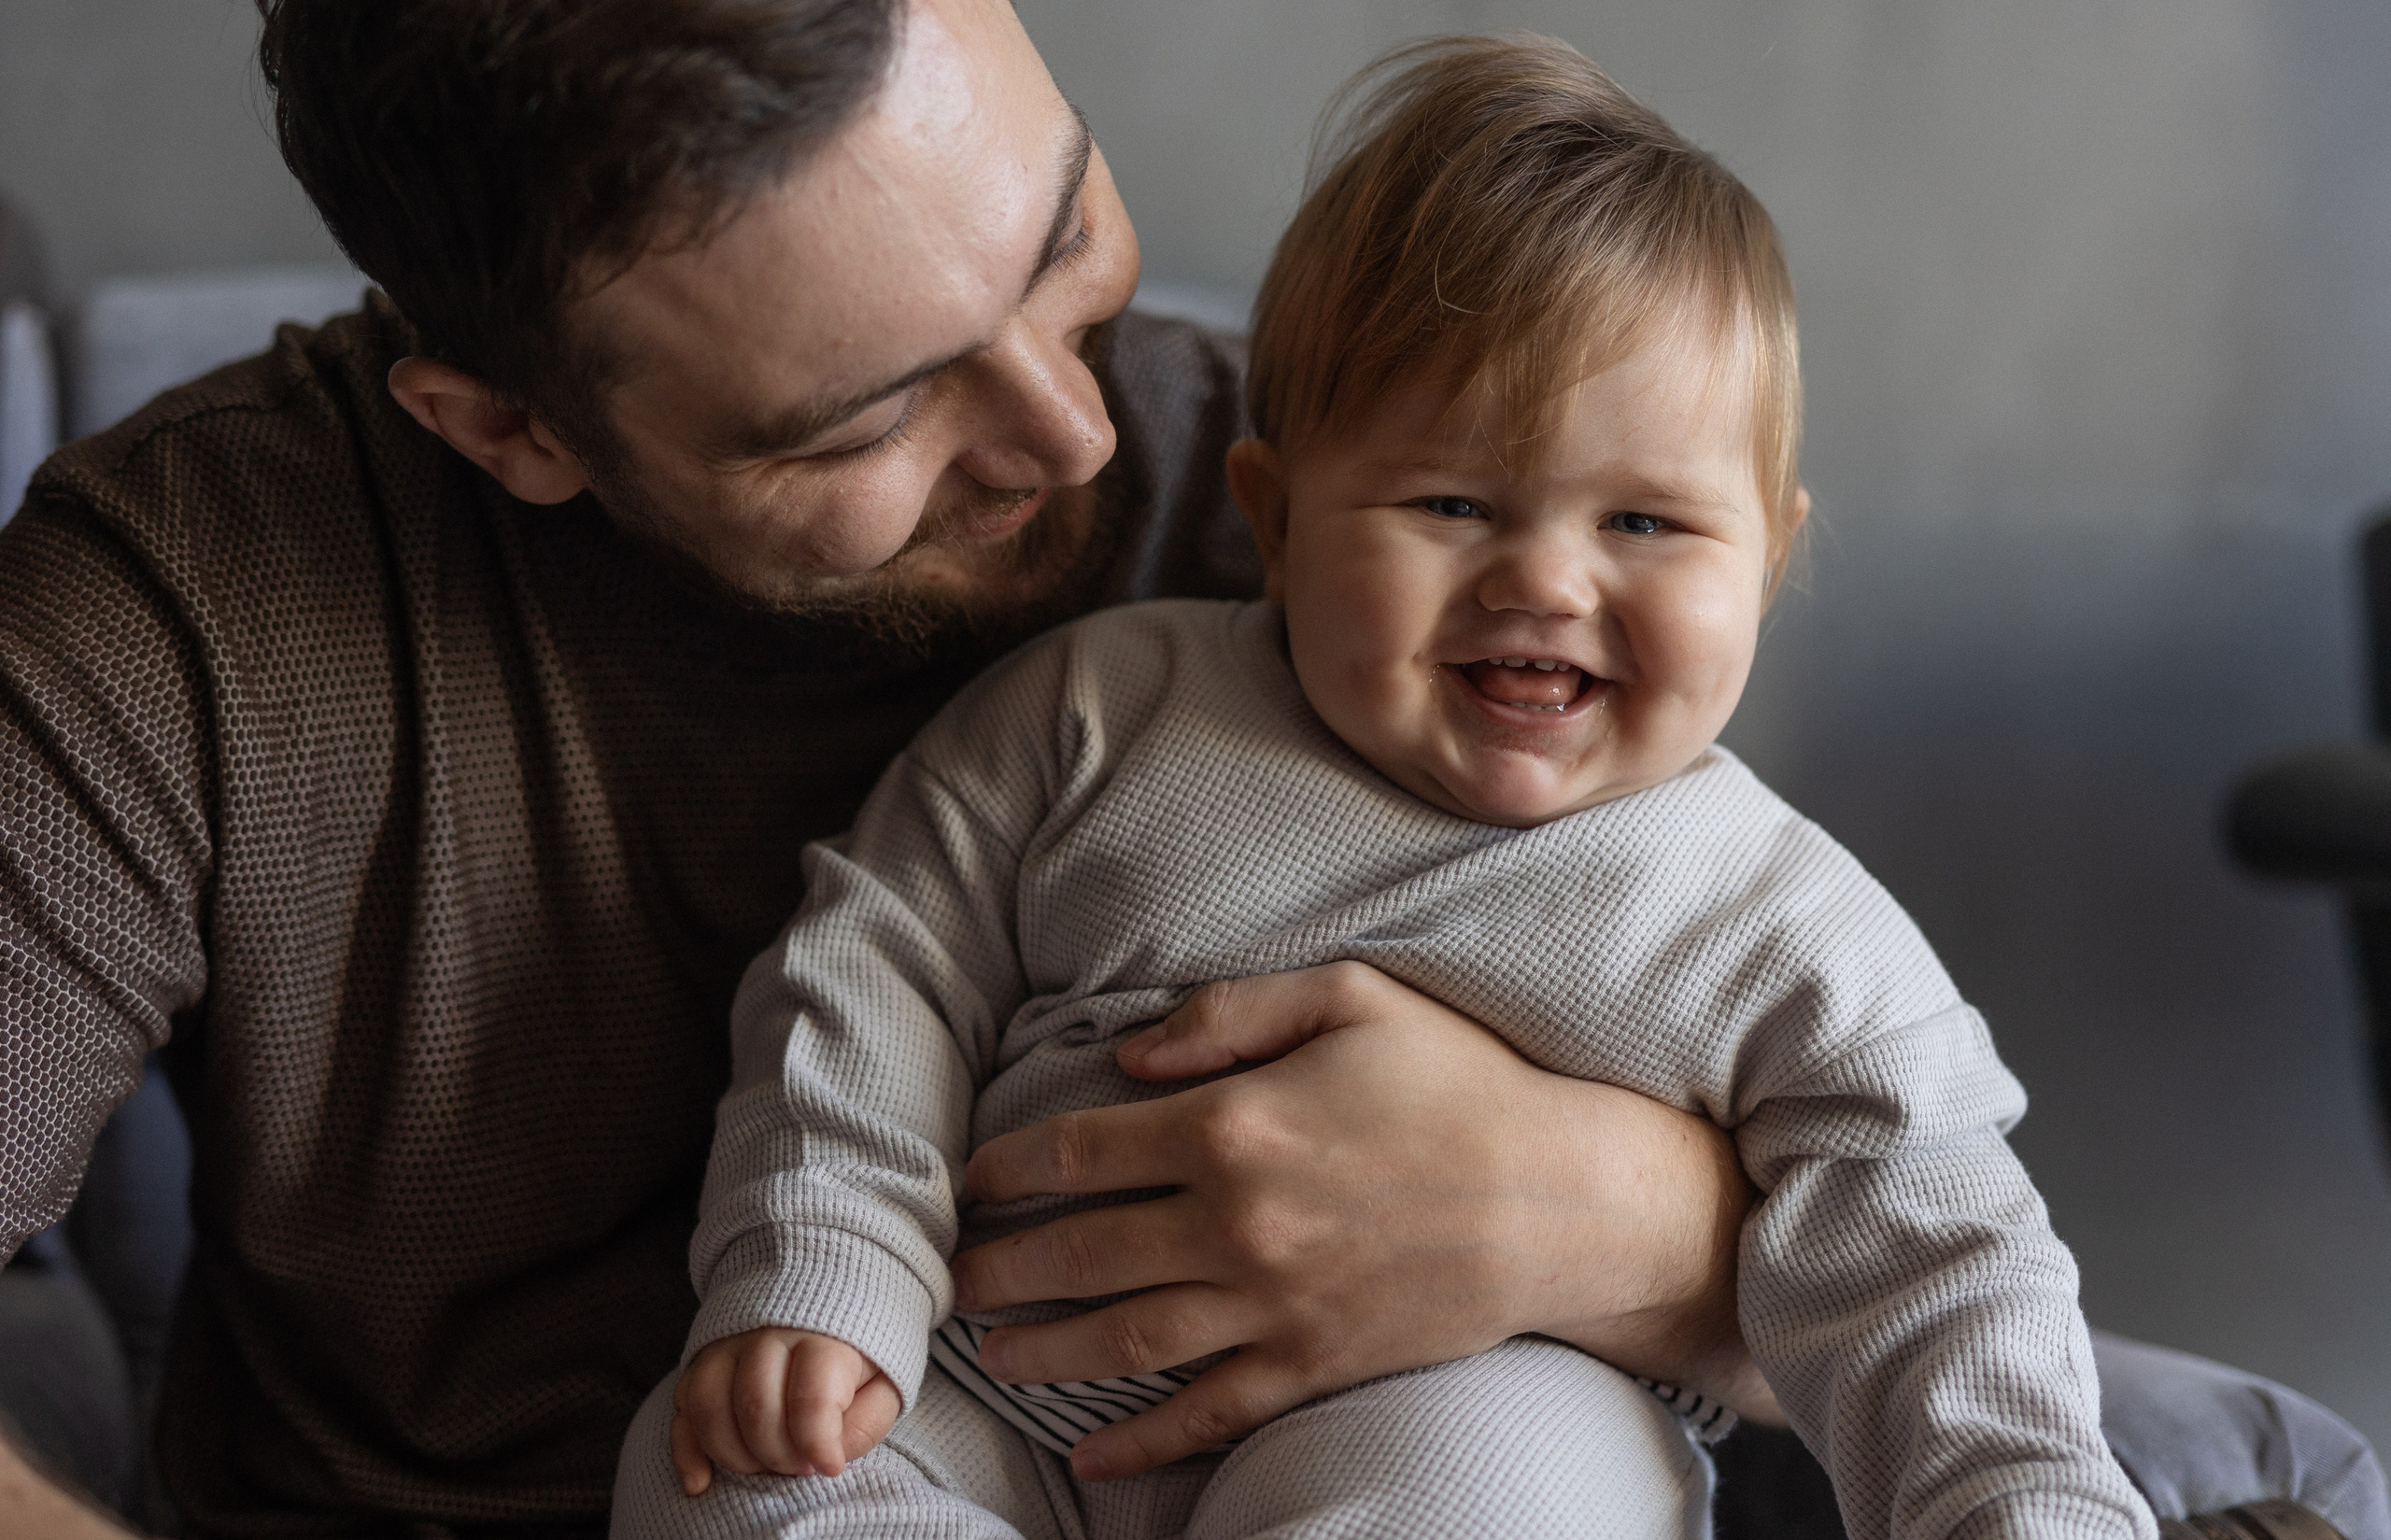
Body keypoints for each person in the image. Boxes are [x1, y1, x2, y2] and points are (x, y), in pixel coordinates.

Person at [0, 1, 2377, 1537]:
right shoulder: (180, 600)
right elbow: (879, 963)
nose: (1074, 427)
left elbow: (1867, 1158)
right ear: (504, 425)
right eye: (871, 411)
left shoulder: (1382, 459)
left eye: (1063, 241)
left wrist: (1606, 1222)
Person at [623, 36, 2148, 1539]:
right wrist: (825, 1273)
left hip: (1447, 1408)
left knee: (1511, 1489)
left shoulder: (1774, 916)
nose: (1544, 579)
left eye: (1645, 521)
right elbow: (873, 971)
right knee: (723, 1471)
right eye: (1452, 501)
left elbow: (1939, 1257)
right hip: (989, 1387)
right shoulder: (1106, 707)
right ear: (1275, 522)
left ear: (1770, 553)